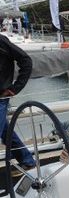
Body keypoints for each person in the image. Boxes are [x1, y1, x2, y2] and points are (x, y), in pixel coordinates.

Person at [0, 33, 36, 170]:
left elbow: (26, 60)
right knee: (5, 131)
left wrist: (16, 88)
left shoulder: (1, 41)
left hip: (1, 97)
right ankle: (27, 160)